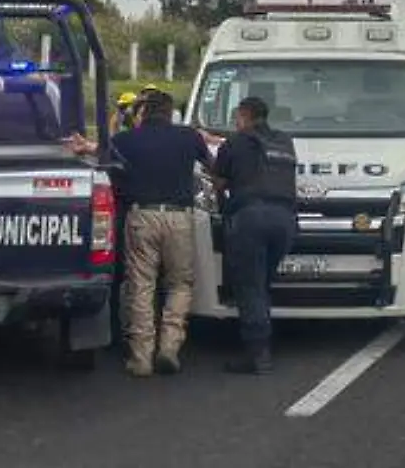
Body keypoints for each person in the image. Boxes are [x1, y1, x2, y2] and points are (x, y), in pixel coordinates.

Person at [108, 90, 212, 377]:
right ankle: (169, 347)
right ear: (170, 113)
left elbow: (102, 161)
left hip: (142, 215)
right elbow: (212, 169)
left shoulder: (125, 139)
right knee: (179, 284)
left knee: (141, 285)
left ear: (142, 113)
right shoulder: (189, 136)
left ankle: (141, 357)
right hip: (179, 217)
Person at [210, 95, 298, 374]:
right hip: (285, 221)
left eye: (237, 117)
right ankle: (264, 338)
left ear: (243, 116)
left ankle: (257, 354)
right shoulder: (284, 142)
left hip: (251, 217)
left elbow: (219, 182)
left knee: (250, 287)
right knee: (261, 283)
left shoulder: (235, 143)